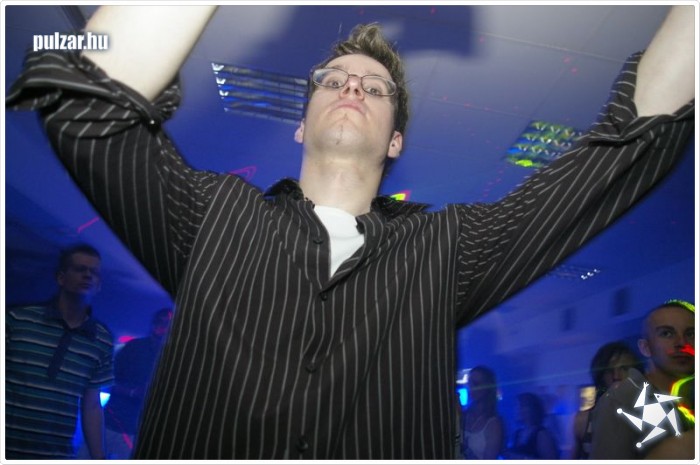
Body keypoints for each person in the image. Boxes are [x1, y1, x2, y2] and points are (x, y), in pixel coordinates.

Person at [5, 4, 694, 460]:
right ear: (301, 124)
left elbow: (633, 139)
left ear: (395, 141)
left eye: (376, 87)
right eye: (331, 79)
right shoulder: (211, 215)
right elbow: (86, 101)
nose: (353, 87)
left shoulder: (447, 248)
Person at [4, 243, 114, 460]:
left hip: (56, 453)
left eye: (93, 272)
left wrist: (99, 458)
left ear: (99, 285)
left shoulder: (101, 339)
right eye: (80, 269)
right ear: (61, 277)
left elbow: (92, 405)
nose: (87, 275)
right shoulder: (17, 319)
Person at [589, 300, 695, 459]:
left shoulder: (688, 396)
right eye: (666, 333)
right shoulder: (622, 400)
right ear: (645, 347)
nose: (682, 343)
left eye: (691, 334)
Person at [84, 308, 173, 459]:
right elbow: (103, 381)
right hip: (109, 424)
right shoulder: (135, 348)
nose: (162, 328)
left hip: (139, 433)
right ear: (153, 324)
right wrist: (132, 392)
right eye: (160, 322)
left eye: (168, 324)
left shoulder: (177, 358)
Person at [570, 340, 643, 459]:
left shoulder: (650, 418)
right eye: (609, 370)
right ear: (601, 376)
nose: (616, 376)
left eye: (624, 368)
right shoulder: (584, 421)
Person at [460, 366, 505, 459]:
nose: (471, 387)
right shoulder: (463, 415)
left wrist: (465, 449)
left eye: (476, 384)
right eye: (469, 383)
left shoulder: (493, 423)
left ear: (487, 388)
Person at [503, 392, 560, 460]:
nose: (517, 409)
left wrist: (522, 458)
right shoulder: (518, 433)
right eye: (517, 406)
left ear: (533, 409)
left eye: (522, 406)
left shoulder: (542, 434)